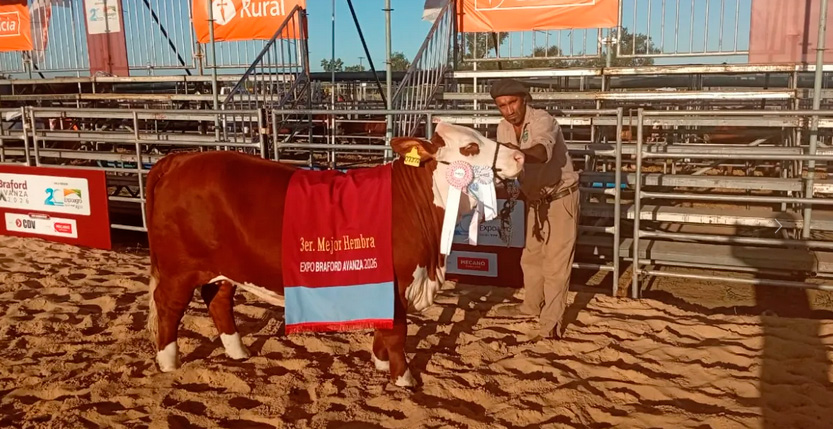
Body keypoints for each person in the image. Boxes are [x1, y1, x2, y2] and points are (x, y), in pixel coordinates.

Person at [488, 78, 580, 342]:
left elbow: (541, 151)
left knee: (556, 263)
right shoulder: (502, 128)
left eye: (512, 102)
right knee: (531, 257)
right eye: (502, 105)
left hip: (560, 196)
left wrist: (517, 154)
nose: (508, 110)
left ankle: (551, 323)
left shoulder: (543, 120)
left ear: (524, 99)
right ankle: (531, 306)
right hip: (534, 199)